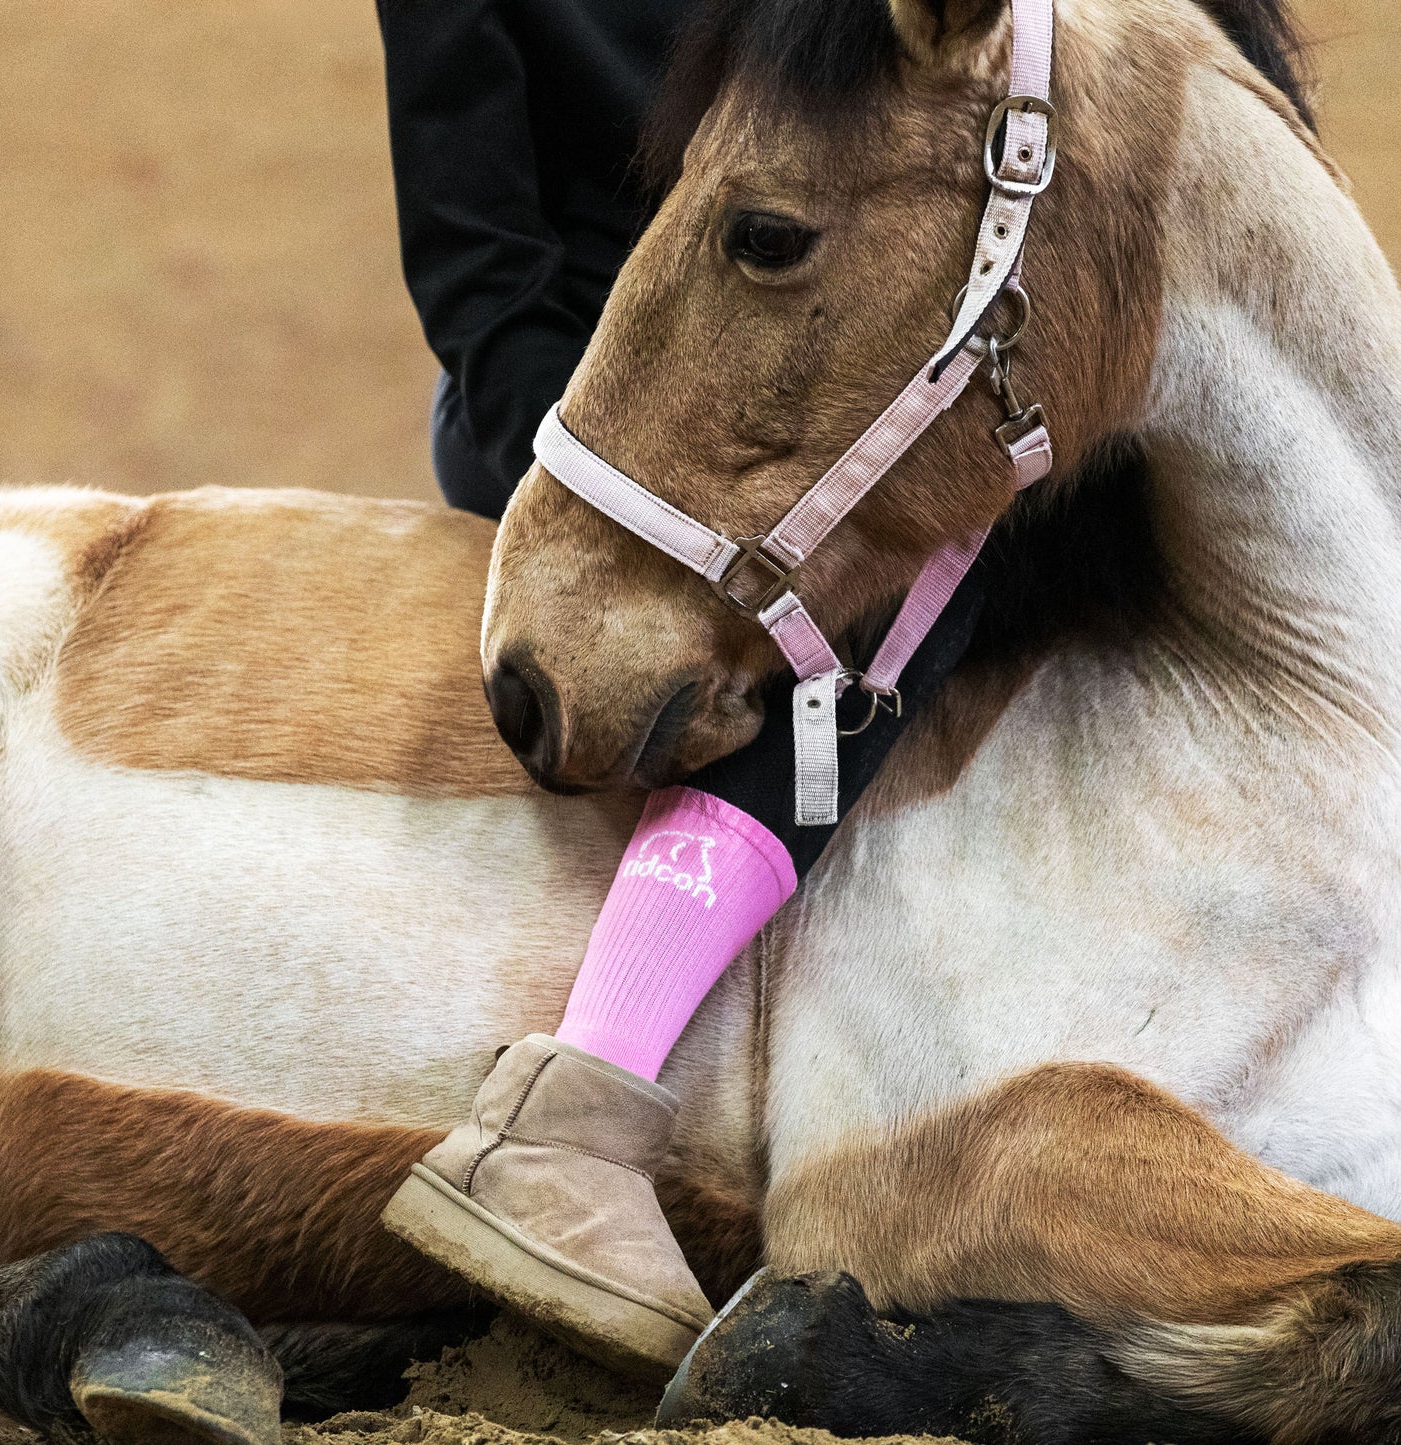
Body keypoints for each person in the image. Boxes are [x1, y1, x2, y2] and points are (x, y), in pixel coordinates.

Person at [373, 0, 982, 1379]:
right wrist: (654, 509)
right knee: (894, 590)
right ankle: (570, 1115)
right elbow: (479, 272)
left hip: (807, 378)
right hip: (580, 419)